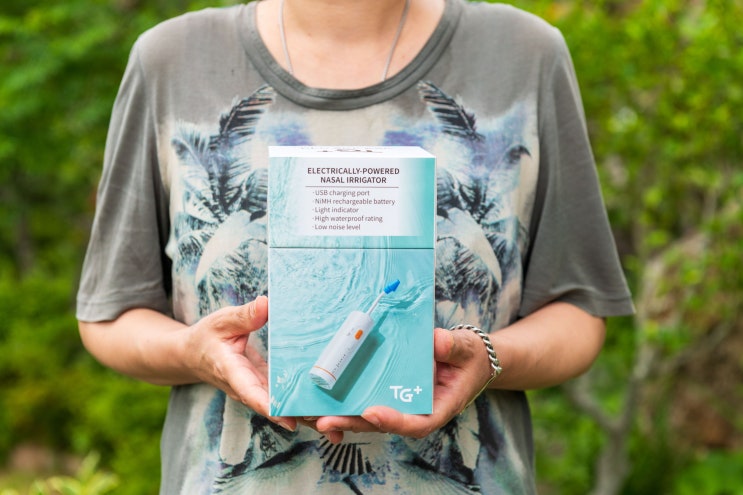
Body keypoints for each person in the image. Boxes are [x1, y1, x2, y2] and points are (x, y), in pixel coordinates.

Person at [76, 0, 634, 493]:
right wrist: (192, 352)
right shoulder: (170, 61)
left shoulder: (524, 55)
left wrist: (489, 359)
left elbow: (578, 314)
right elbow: (111, 314)